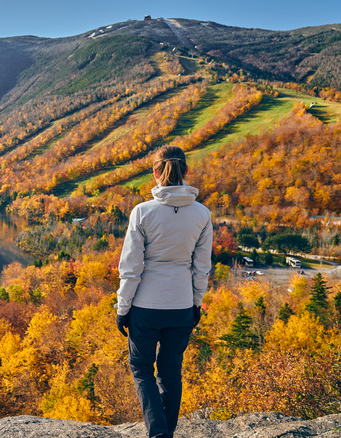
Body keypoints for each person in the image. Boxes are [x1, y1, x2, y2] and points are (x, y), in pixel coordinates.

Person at [115, 145, 213, 438]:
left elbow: (131, 268)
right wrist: (196, 305)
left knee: (142, 368)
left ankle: (158, 433)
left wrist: (123, 308)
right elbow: (201, 268)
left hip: (145, 307)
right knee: (170, 373)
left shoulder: (142, 212)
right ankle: (164, 434)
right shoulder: (201, 214)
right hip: (181, 305)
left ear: (155, 172)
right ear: (186, 171)